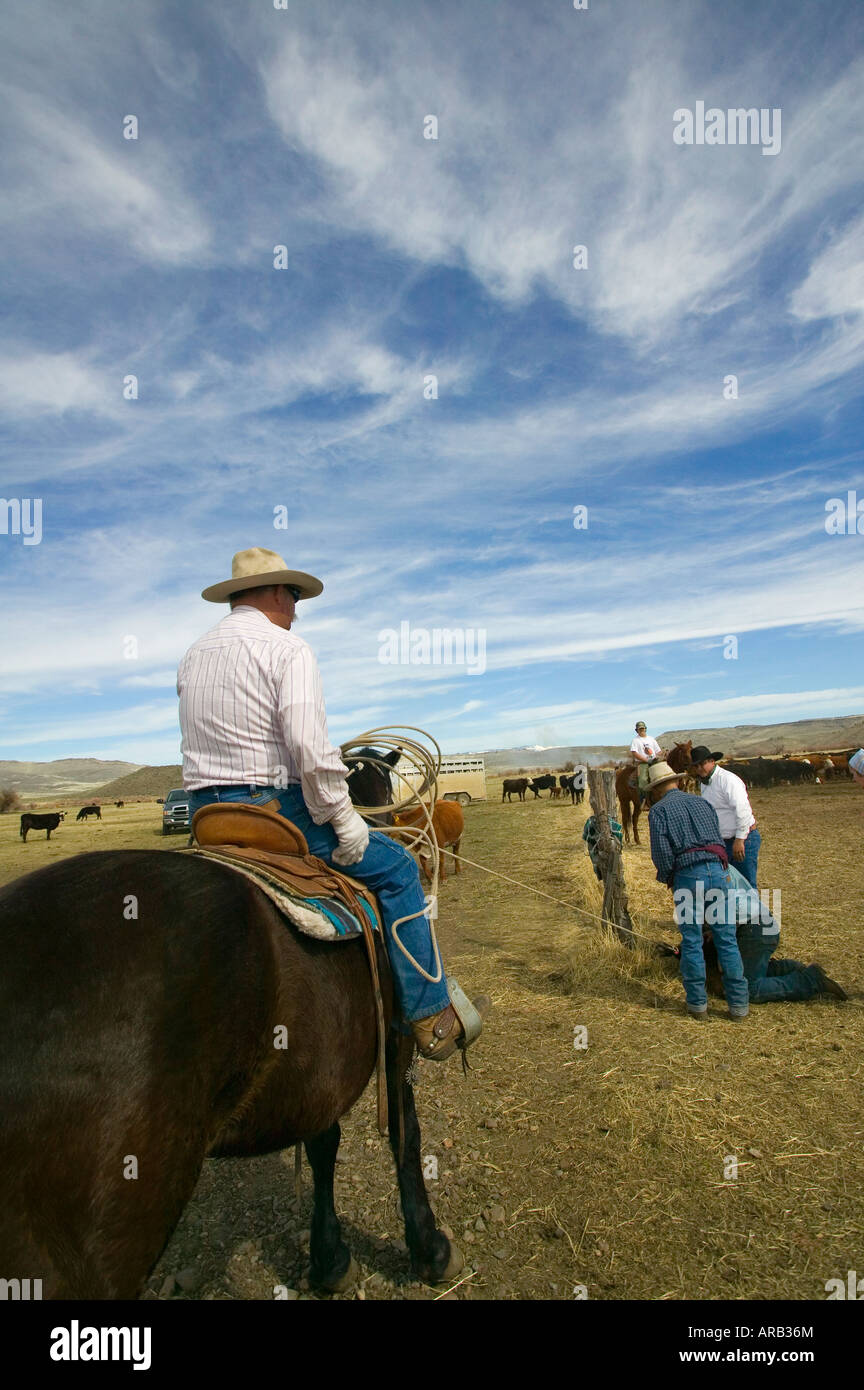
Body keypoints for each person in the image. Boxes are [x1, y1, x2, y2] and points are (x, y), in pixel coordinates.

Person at [177, 547, 488, 1062]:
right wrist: (346, 822)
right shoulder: (287, 648)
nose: (296, 609)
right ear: (278, 592)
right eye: (294, 596)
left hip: (208, 818)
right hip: (271, 810)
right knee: (399, 870)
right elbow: (308, 749)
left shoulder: (194, 654)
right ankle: (431, 1015)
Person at [646, 760, 749, 1020]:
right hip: (718, 872)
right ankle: (738, 1006)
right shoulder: (702, 803)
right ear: (678, 781)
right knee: (726, 939)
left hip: (687, 876)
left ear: (657, 790)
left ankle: (697, 1006)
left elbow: (661, 854)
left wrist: (670, 877)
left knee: (691, 941)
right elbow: (716, 836)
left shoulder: (658, 811)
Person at [691, 746, 761, 887]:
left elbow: (742, 810)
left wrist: (740, 839)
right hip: (723, 841)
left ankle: (753, 909)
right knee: (729, 883)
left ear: (712, 761)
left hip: (743, 839)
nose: (699, 769)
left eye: (702, 764)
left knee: (745, 883)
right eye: (696, 766)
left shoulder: (728, 780)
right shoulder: (705, 783)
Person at [630, 720, 663, 802]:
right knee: (643, 781)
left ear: (645, 729)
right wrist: (646, 760)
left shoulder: (651, 739)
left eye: (643, 728)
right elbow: (634, 753)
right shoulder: (635, 740)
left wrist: (657, 757)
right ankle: (643, 800)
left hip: (654, 761)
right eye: (639, 729)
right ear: (636, 730)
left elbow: (658, 751)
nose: (641, 730)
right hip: (643, 763)